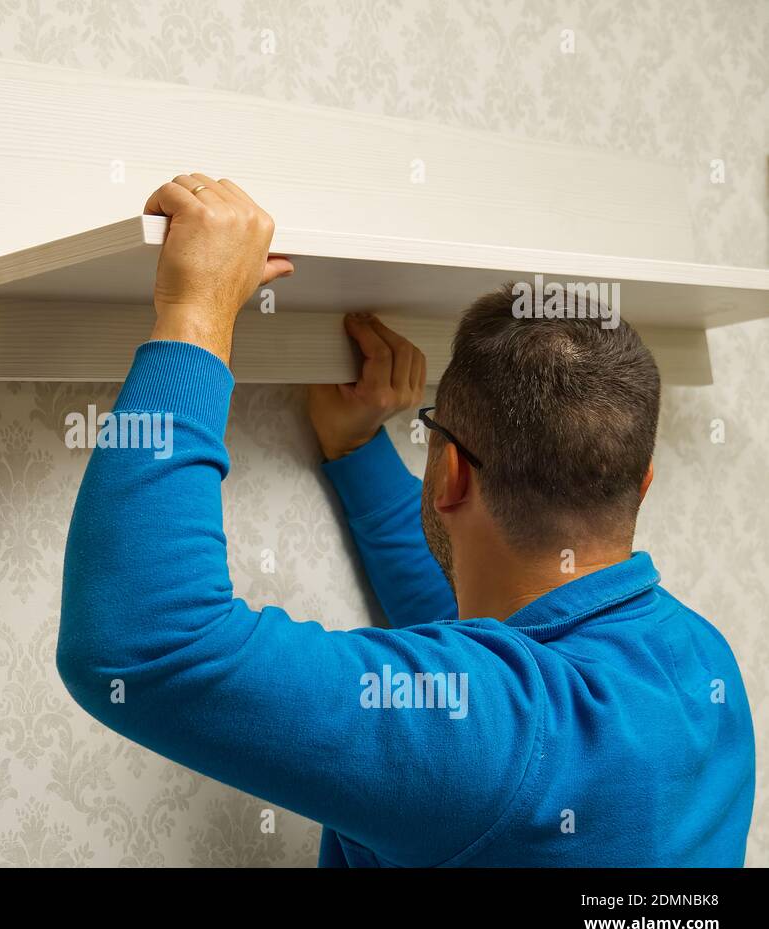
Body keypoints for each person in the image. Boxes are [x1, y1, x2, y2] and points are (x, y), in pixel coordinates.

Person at [55, 173, 755, 866]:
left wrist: (194, 317)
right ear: (643, 483)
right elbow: (494, 646)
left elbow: (144, 645)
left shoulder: (496, 736)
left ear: (449, 472)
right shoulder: (702, 664)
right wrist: (357, 451)